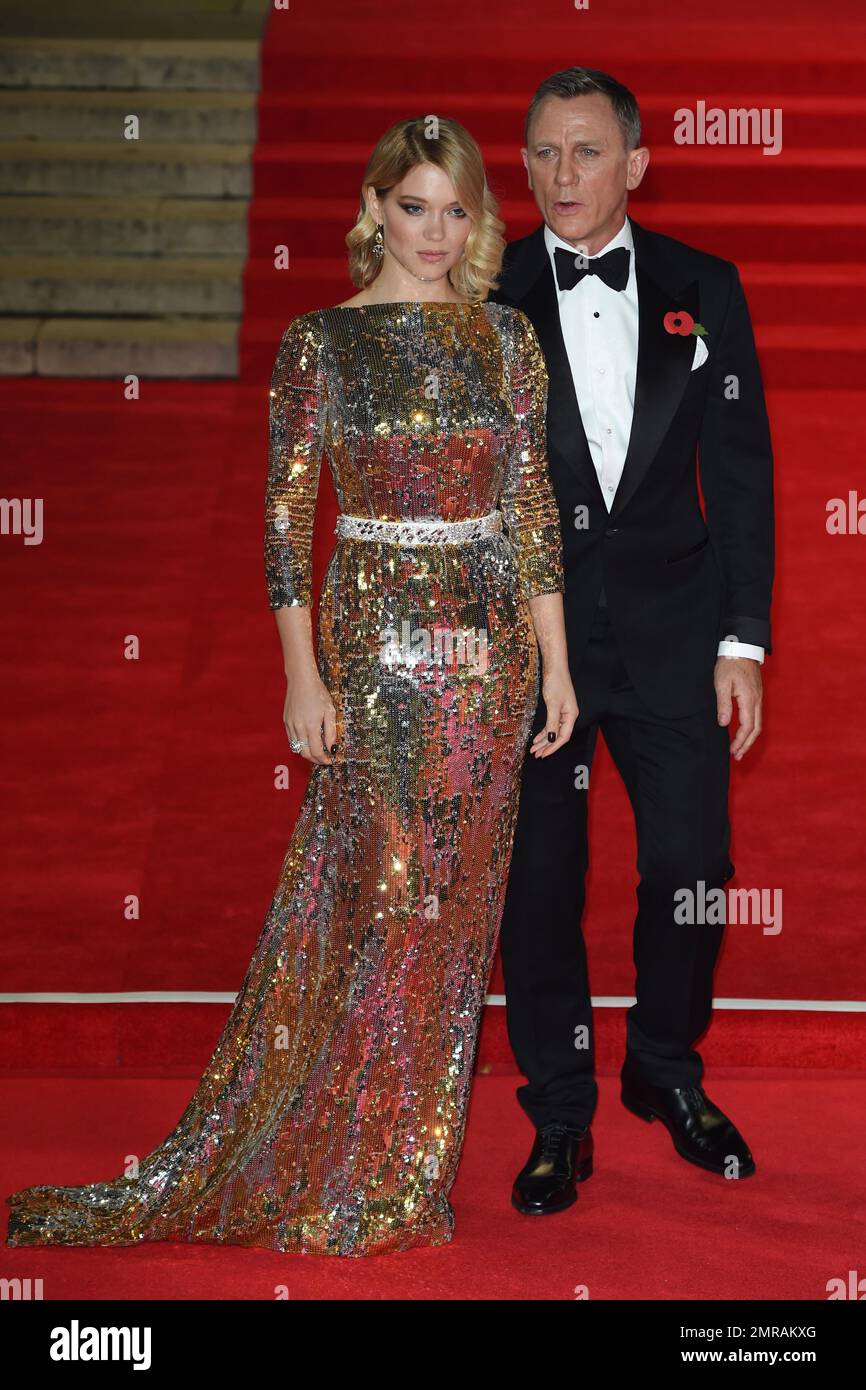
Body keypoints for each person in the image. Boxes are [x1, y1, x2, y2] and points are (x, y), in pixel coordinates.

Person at [5, 117, 577, 1257]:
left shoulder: (508, 340)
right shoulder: (319, 343)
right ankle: (334, 1150)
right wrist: (300, 679)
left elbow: (529, 513)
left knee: (454, 917)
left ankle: (403, 1168)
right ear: (373, 208)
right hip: (374, 642)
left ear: (477, 221)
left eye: (454, 210)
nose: (433, 231)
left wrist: (554, 664)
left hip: (491, 649)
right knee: (387, 892)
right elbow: (283, 527)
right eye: (412, 206)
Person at [489, 68, 774, 1215]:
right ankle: (559, 1106)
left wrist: (742, 639)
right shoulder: (486, 288)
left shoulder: (705, 287)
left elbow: (741, 475)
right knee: (539, 885)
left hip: (672, 630)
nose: (564, 175)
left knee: (692, 870)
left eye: (587, 152)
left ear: (636, 165)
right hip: (532, 645)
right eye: (544, 154)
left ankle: (661, 1066)